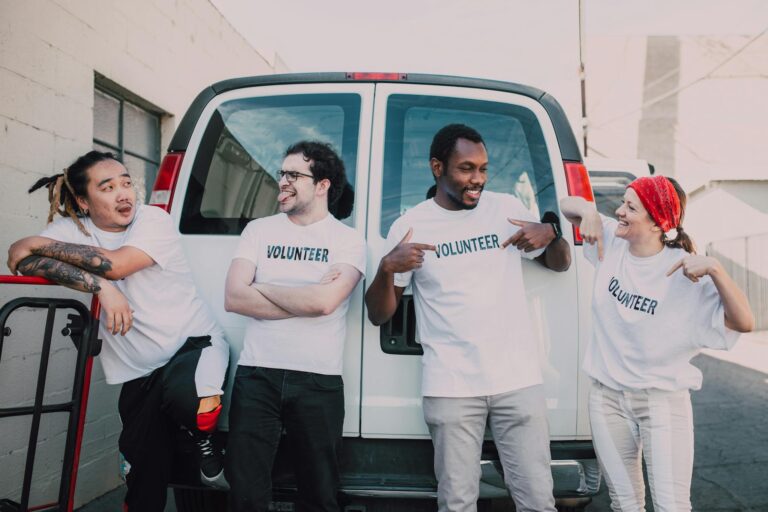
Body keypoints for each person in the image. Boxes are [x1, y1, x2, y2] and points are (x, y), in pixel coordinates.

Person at [6, 151, 231, 511]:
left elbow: (117, 264)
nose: (124, 194)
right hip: (138, 372)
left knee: (190, 400)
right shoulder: (74, 230)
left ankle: (203, 440)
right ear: (83, 200)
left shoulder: (152, 219)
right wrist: (102, 289)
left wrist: (96, 274)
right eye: (107, 187)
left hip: (193, 346)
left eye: (126, 183)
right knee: (142, 480)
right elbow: (18, 255)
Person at [365, 124, 570, 512]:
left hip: (518, 380)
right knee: (457, 502)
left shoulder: (506, 208)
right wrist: (386, 268)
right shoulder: (412, 226)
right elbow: (379, 314)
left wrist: (551, 234)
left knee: (539, 501)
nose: (477, 179)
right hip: (452, 385)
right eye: (465, 169)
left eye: (483, 169)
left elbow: (559, 264)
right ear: (437, 167)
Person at [560, 175, 754, 511]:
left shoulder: (684, 273)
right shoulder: (611, 242)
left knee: (671, 505)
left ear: (657, 223)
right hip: (606, 398)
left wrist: (717, 269)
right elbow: (567, 205)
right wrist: (588, 211)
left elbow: (744, 322)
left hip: (661, 402)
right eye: (622, 202)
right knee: (625, 503)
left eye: (630, 207)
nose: (619, 211)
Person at [224, 141, 366, 512]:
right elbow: (235, 298)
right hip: (257, 376)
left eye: (294, 175)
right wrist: (307, 296)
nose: (282, 182)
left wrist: (264, 289)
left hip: (318, 381)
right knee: (246, 495)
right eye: (281, 173)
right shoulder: (259, 230)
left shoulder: (348, 240)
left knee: (320, 496)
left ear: (322, 185)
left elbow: (325, 303)